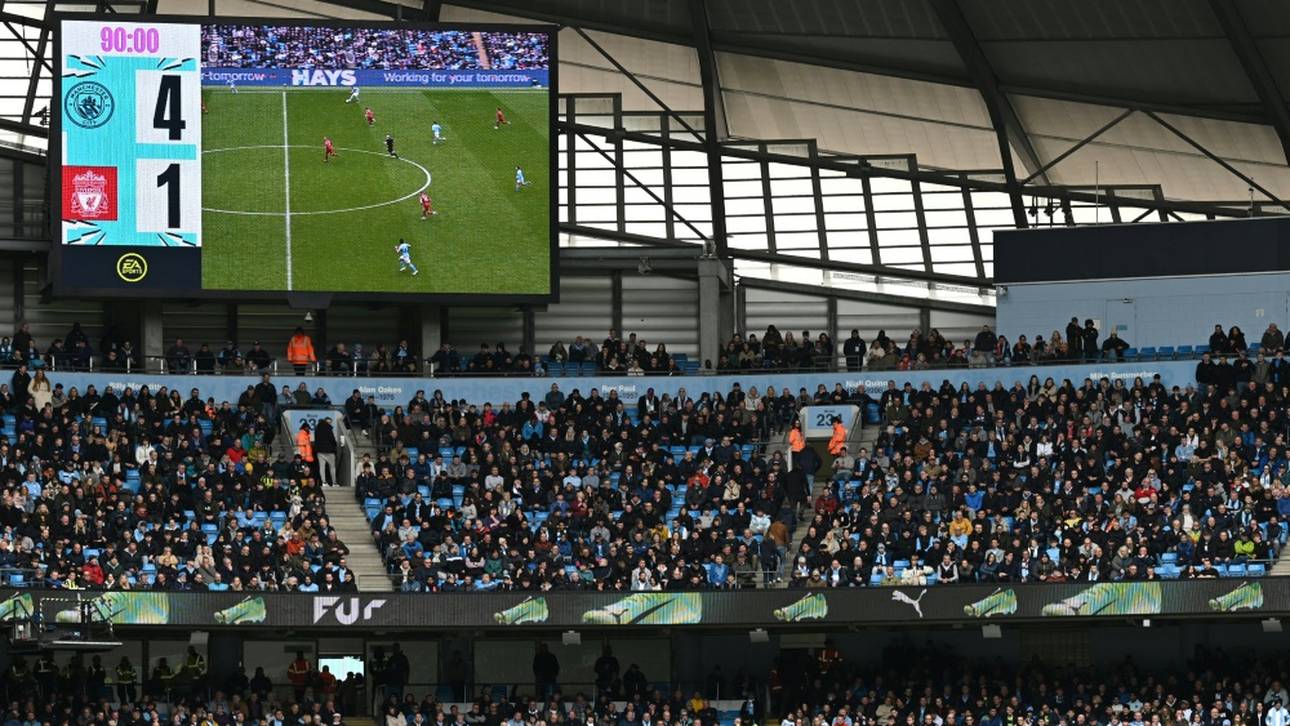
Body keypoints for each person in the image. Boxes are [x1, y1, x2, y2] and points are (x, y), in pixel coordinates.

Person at [314, 417, 338, 486]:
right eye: (329, 422)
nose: (330, 423)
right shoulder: (328, 428)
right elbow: (332, 439)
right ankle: (334, 482)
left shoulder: (317, 428)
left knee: (322, 467)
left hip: (320, 451)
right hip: (329, 451)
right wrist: (334, 446)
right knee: (332, 467)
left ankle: (324, 482)